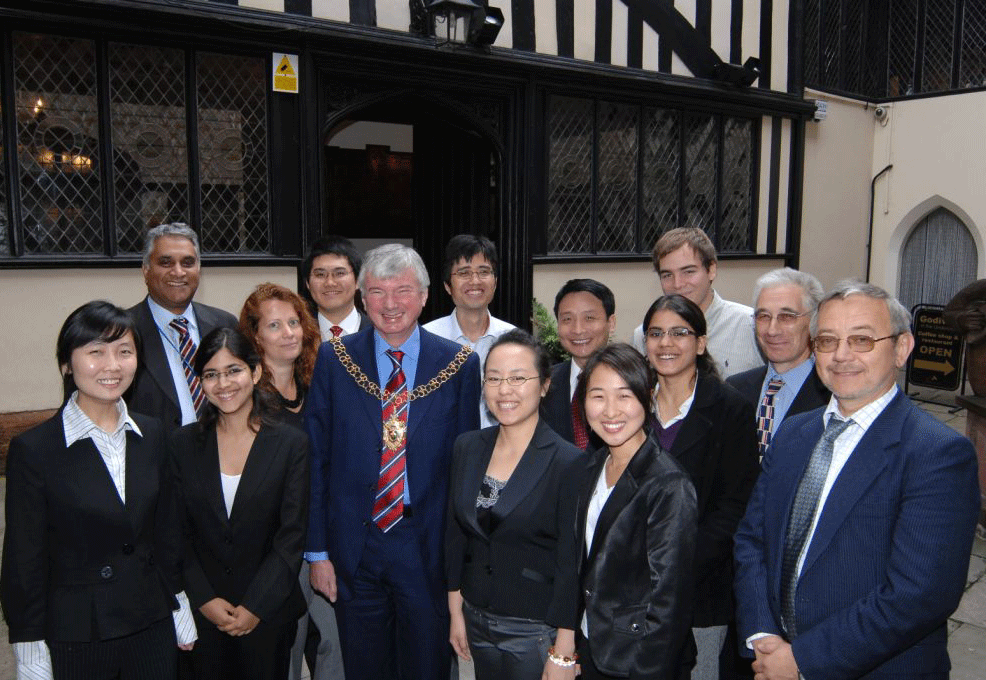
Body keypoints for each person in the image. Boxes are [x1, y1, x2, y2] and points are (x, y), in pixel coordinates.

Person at [734, 281, 981, 679]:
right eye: (827, 341)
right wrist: (763, 635)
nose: (841, 355)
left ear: (902, 348)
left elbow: (918, 596)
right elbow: (752, 540)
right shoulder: (795, 433)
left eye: (862, 340)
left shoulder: (937, 454)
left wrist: (802, 661)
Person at [304, 243, 481, 680]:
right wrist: (318, 552)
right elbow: (316, 458)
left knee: (427, 667)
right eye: (377, 292)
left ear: (424, 296)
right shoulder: (335, 358)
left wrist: (461, 561)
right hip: (354, 547)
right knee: (364, 667)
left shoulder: (458, 364)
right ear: (362, 299)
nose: (390, 304)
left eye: (402, 290)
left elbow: (466, 468)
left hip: (426, 546)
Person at [1, 300, 196, 680]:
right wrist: (28, 642)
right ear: (66, 364)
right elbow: (24, 558)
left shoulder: (152, 433)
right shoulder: (35, 450)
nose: (112, 365)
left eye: (124, 351)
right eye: (95, 352)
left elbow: (167, 531)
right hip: (78, 632)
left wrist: (179, 601)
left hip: (150, 620)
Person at [170, 327, 309, 680]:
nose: (223, 384)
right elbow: (175, 532)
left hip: (268, 611)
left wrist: (255, 607)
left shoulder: (290, 443)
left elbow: (291, 536)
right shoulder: (182, 445)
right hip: (204, 612)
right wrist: (204, 600)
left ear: (256, 372)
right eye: (211, 375)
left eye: (233, 370)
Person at [446, 329, 582, 680]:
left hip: (535, 628)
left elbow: (572, 563)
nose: (504, 389)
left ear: (544, 385)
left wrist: (564, 650)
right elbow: (456, 535)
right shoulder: (468, 446)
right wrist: (455, 609)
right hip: (476, 617)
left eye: (518, 378)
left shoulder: (568, 461)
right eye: (494, 378)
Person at [642, 295, 759, 680]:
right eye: (656, 333)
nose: (666, 343)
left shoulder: (731, 409)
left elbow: (733, 508)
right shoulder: (630, 405)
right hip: (629, 590)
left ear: (701, 343)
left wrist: (673, 569)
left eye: (679, 333)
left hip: (699, 590)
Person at [238, 283, 344, 680]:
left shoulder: (321, 382)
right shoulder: (243, 398)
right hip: (274, 548)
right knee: (287, 648)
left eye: (295, 322)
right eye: (275, 325)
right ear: (254, 336)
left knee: (337, 645)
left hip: (323, 539)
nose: (289, 333)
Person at [576, 343, 698, 680]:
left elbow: (668, 602)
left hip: (639, 659)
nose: (610, 411)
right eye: (598, 396)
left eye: (625, 395)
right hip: (593, 644)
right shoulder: (593, 465)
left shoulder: (667, 484)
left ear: (648, 396)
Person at [128, 223, 238, 430]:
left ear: (198, 269)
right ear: (146, 270)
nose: (178, 272)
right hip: (154, 458)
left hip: (221, 453)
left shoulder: (225, 324)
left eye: (188, 263)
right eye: (166, 263)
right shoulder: (123, 331)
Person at [727, 268, 830, 459]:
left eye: (787, 317)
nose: (772, 330)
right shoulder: (734, 389)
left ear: (815, 321)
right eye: (763, 316)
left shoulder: (834, 396)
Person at [632, 227, 762, 378]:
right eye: (667, 275)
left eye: (688, 271)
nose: (678, 284)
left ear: (711, 270)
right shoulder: (645, 335)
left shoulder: (751, 326)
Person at [423, 234, 515, 427]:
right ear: (448, 286)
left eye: (484, 272)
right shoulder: (426, 338)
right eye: (464, 273)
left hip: (501, 448)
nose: (475, 281)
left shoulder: (513, 340)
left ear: (495, 282)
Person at [540, 279, 615, 449]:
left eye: (589, 318)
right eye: (567, 319)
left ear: (611, 324)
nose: (578, 329)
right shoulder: (542, 383)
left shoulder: (631, 382)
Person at [300, 235, 371, 341]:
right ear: (307, 283)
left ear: (358, 280)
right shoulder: (296, 336)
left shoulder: (380, 333)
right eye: (320, 274)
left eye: (339, 273)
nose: (330, 282)